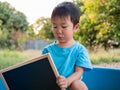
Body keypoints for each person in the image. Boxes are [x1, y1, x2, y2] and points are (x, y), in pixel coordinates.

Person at [42, 1, 92, 90]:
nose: (58, 31)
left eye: (64, 27)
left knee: (78, 84)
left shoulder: (80, 50)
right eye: (55, 26)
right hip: (53, 87)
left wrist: (66, 82)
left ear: (75, 27)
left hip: (70, 86)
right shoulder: (47, 50)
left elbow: (79, 72)